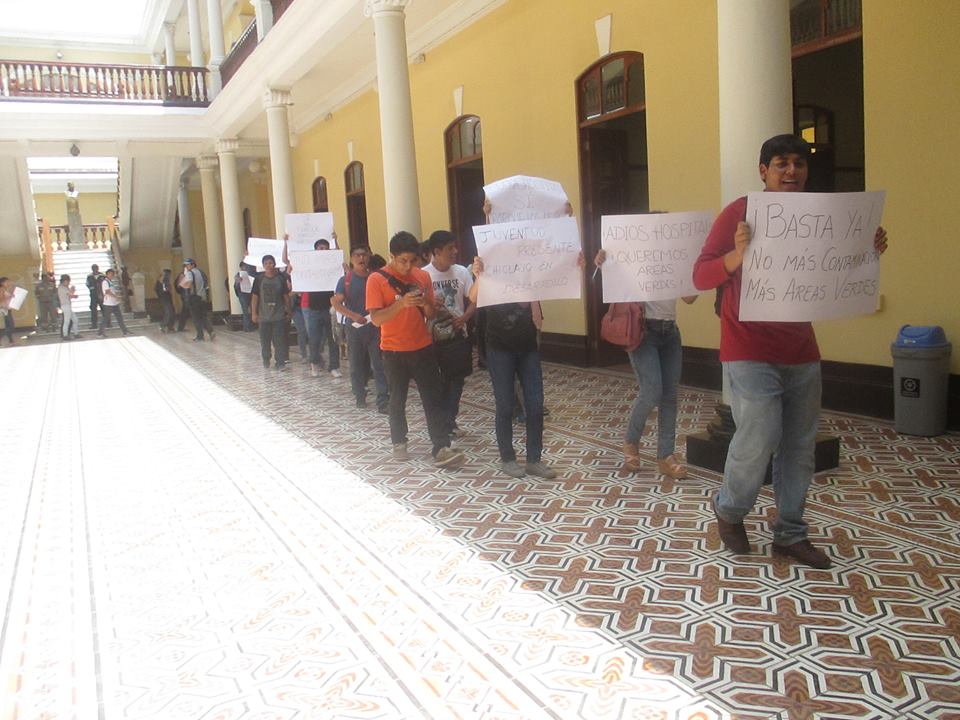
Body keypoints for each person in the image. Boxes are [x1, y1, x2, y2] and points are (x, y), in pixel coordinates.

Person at [693, 134, 889, 569]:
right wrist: (736, 255)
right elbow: (700, 275)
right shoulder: (740, 212)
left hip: (801, 350)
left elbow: (836, 266)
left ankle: (790, 533)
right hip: (747, 347)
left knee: (800, 447)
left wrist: (866, 248)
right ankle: (729, 509)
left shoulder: (823, 216)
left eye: (799, 163)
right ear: (763, 171)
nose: (791, 171)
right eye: (781, 163)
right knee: (759, 433)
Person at [594, 248, 698, 478]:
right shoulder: (637, 253)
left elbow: (690, 298)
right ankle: (631, 441)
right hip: (642, 331)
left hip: (670, 332)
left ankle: (666, 455)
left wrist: (696, 270)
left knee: (670, 395)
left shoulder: (675, 256)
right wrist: (604, 264)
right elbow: (616, 282)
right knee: (652, 391)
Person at [366, 231, 464, 468]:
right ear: (392, 256)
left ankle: (441, 447)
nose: (408, 266)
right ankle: (399, 441)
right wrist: (401, 304)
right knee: (397, 399)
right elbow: (376, 319)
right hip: (393, 350)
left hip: (423, 347)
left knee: (433, 398)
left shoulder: (422, 276)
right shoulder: (376, 280)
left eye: (412, 260)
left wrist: (427, 303)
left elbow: (430, 314)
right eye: (403, 261)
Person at [469, 257, 556, 480]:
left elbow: (540, 309)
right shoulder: (490, 265)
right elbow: (473, 297)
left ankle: (534, 459)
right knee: (505, 404)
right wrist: (479, 276)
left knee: (535, 404)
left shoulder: (528, 268)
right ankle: (507, 458)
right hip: (499, 348)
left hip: (528, 346)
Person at [424, 230, 475, 440]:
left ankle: (450, 420)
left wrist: (465, 317)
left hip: (457, 336)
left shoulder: (461, 272)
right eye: (449, 249)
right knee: (439, 384)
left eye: (455, 247)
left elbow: (474, 299)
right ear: (436, 251)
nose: (455, 252)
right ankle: (442, 424)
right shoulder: (423, 275)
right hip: (432, 340)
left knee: (457, 381)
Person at [333, 246, 389, 411]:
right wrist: (353, 315)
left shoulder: (376, 278)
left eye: (364, 255)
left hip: (376, 327)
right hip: (355, 329)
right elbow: (335, 302)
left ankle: (383, 399)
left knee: (379, 364)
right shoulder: (346, 280)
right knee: (356, 364)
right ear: (351, 259)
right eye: (357, 255)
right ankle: (359, 395)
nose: (361, 258)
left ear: (369, 257)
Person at [297, 239, 342, 379]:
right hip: (314, 309)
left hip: (330, 308)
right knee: (314, 339)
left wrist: (336, 240)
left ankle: (334, 366)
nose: (323, 250)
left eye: (326, 248)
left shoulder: (332, 264)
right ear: (315, 250)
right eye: (320, 248)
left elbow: (339, 259)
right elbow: (296, 270)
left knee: (333, 339)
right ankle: (314, 364)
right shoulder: (310, 265)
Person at [250, 254, 292, 370]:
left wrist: (289, 311)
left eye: (271, 263)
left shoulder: (280, 279)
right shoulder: (259, 279)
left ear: (274, 264)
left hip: (278, 316)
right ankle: (266, 359)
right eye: (266, 263)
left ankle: (280, 362)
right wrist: (254, 313)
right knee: (265, 341)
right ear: (263, 266)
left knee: (279, 341)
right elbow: (255, 297)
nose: (269, 265)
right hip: (264, 317)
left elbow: (285, 296)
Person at [179, 258, 214, 341]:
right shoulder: (201, 272)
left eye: (187, 265)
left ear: (192, 264)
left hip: (194, 298)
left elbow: (189, 283)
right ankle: (211, 331)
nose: (186, 267)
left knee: (196, 318)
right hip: (202, 297)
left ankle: (200, 336)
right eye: (185, 265)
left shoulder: (190, 273)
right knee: (203, 316)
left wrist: (182, 284)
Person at [96, 269, 131, 337]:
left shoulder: (110, 282)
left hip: (114, 303)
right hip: (108, 304)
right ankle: (100, 333)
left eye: (112, 274)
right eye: (110, 274)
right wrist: (116, 297)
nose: (111, 275)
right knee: (105, 319)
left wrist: (116, 298)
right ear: (107, 274)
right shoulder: (105, 282)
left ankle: (125, 331)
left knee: (119, 318)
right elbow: (107, 292)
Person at [233, 261, 256, 331]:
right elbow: (236, 286)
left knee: (251, 309)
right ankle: (247, 327)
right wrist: (238, 281)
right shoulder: (238, 275)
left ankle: (251, 325)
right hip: (242, 294)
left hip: (250, 293)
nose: (245, 268)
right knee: (245, 310)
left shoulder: (251, 273)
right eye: (244, 266)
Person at [58, 274, 80, 340]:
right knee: (66, 321)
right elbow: (70, 295)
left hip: (68, 305)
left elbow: (69, 296)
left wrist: (72, 291)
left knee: (75, 320)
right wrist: (73, 291)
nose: (69, 283)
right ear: (65, 281)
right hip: (65, 305)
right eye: (68, 281)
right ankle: (65, 335)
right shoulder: (61, 288)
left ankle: (76, 333)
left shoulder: (65, 287)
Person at [85, 264, 105, 329]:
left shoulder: (102, 276)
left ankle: (108, 323)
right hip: (93, 295)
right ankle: (94, 325)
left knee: (104, 309)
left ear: (98, 268)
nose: (95, 269)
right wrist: (92, 289)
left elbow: (105, 284)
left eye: (96, 268)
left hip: (101, 294)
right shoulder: (89, 276)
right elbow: (87, 284)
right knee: (93, 309)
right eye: (93, 268)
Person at [0, 277, 16, 346]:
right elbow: (1, 298)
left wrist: (11, 296)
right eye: (7, 282)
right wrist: (9, 297)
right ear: (2, 283)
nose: (8, 283)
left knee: (8, 326)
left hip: (7, 309)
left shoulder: (4, 289)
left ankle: (11, 341)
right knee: (11, 326)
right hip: (5, 309)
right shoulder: (1, 289)